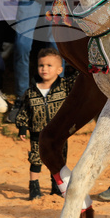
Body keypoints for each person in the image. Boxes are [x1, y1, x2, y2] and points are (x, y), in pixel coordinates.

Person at [16, 48, 75, 200]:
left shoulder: (65, 87)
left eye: (50, 65)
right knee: (36, 160)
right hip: (38, 135)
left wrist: (73, 62)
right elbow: (24, 111)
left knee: (58, 160)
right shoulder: (31, 92)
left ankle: (56, 186)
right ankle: (34, 186)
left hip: (59, 134)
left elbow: (78, 78)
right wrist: (22, 127)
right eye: (41, 65)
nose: (44, 69)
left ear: (59, 69)